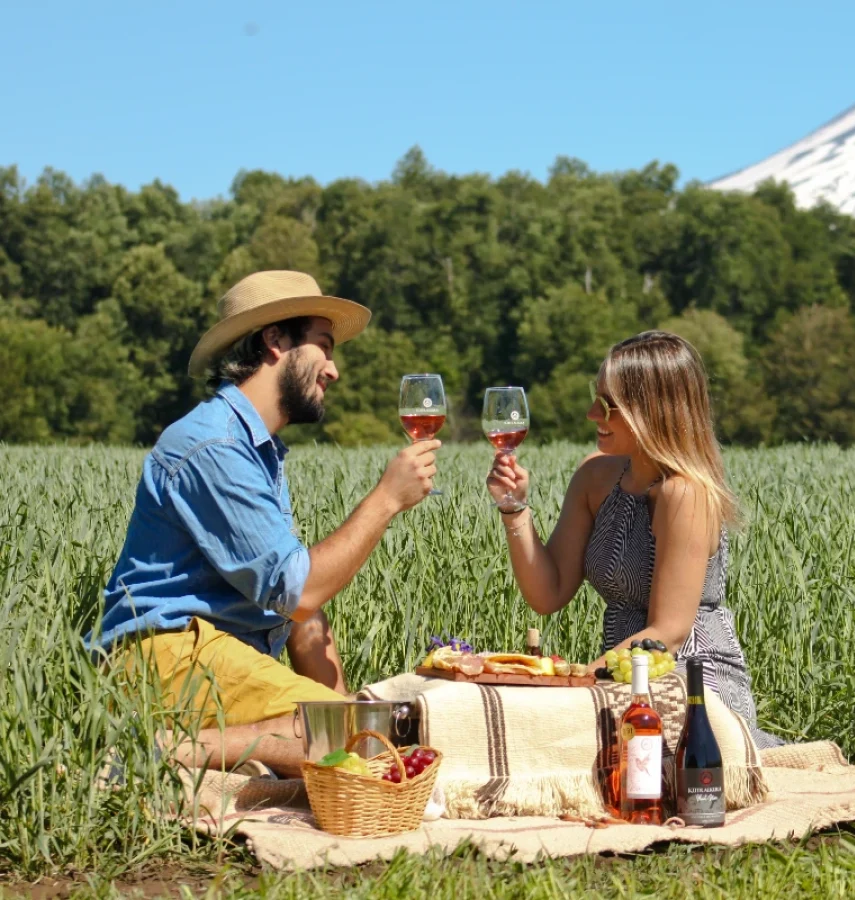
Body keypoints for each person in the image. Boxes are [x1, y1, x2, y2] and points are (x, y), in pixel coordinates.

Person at [89, 270, 440, 777]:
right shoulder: (213, 446)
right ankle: (156, 753)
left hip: (213, 656)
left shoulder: (255, 449)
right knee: (346, 738)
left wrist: (338, 702)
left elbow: (297, 612)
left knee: (362, 737)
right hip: (163, 658)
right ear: (275, 341)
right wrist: (385, 500)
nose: (334, 370)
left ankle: (198, 750)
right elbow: (299, 592)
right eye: (324, 346)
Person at [486, 331, 782, 748]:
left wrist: (580, 685)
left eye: (608, 404)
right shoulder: (596, 477)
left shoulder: (684, 493)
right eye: (596, 396)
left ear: (653, 411)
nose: (592, 413)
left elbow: (667, 632)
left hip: (690, 683)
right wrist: (513, 507)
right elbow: (547, 594)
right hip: (621, 676)